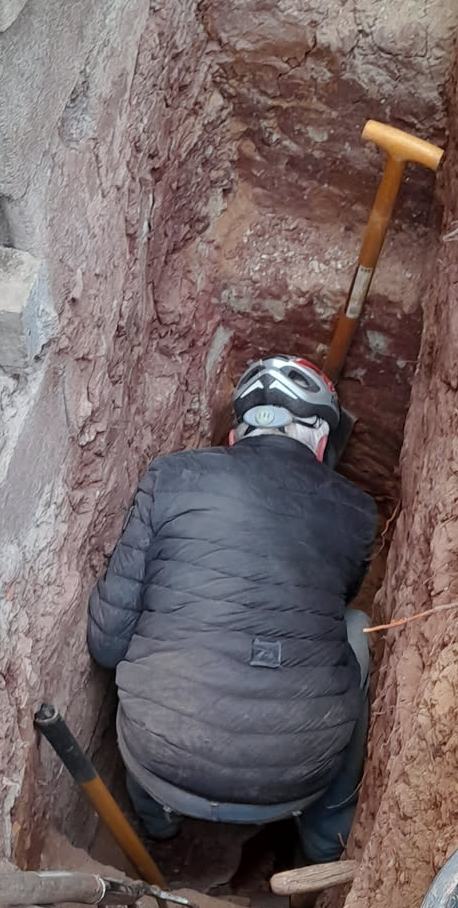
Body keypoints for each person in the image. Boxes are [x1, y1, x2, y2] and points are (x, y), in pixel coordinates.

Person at [86, 356, 377, 863]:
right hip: (296, 772)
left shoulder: (171, 476)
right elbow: (342, 597)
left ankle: (158, 826)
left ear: (233, 436)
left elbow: (108, 642)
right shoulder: (357, 512)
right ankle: (324, 843)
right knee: (356, 627)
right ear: (322, 444)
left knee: (156, 630)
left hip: (164, 757)